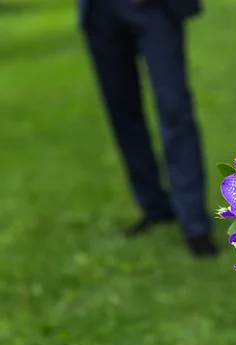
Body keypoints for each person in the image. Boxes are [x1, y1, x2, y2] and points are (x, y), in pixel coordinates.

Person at [77, 0, 217, 257]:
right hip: (99, 10)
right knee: (121, 112)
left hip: (156, 8)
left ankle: (194, 221)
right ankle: (154, 206)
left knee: (174, 108)